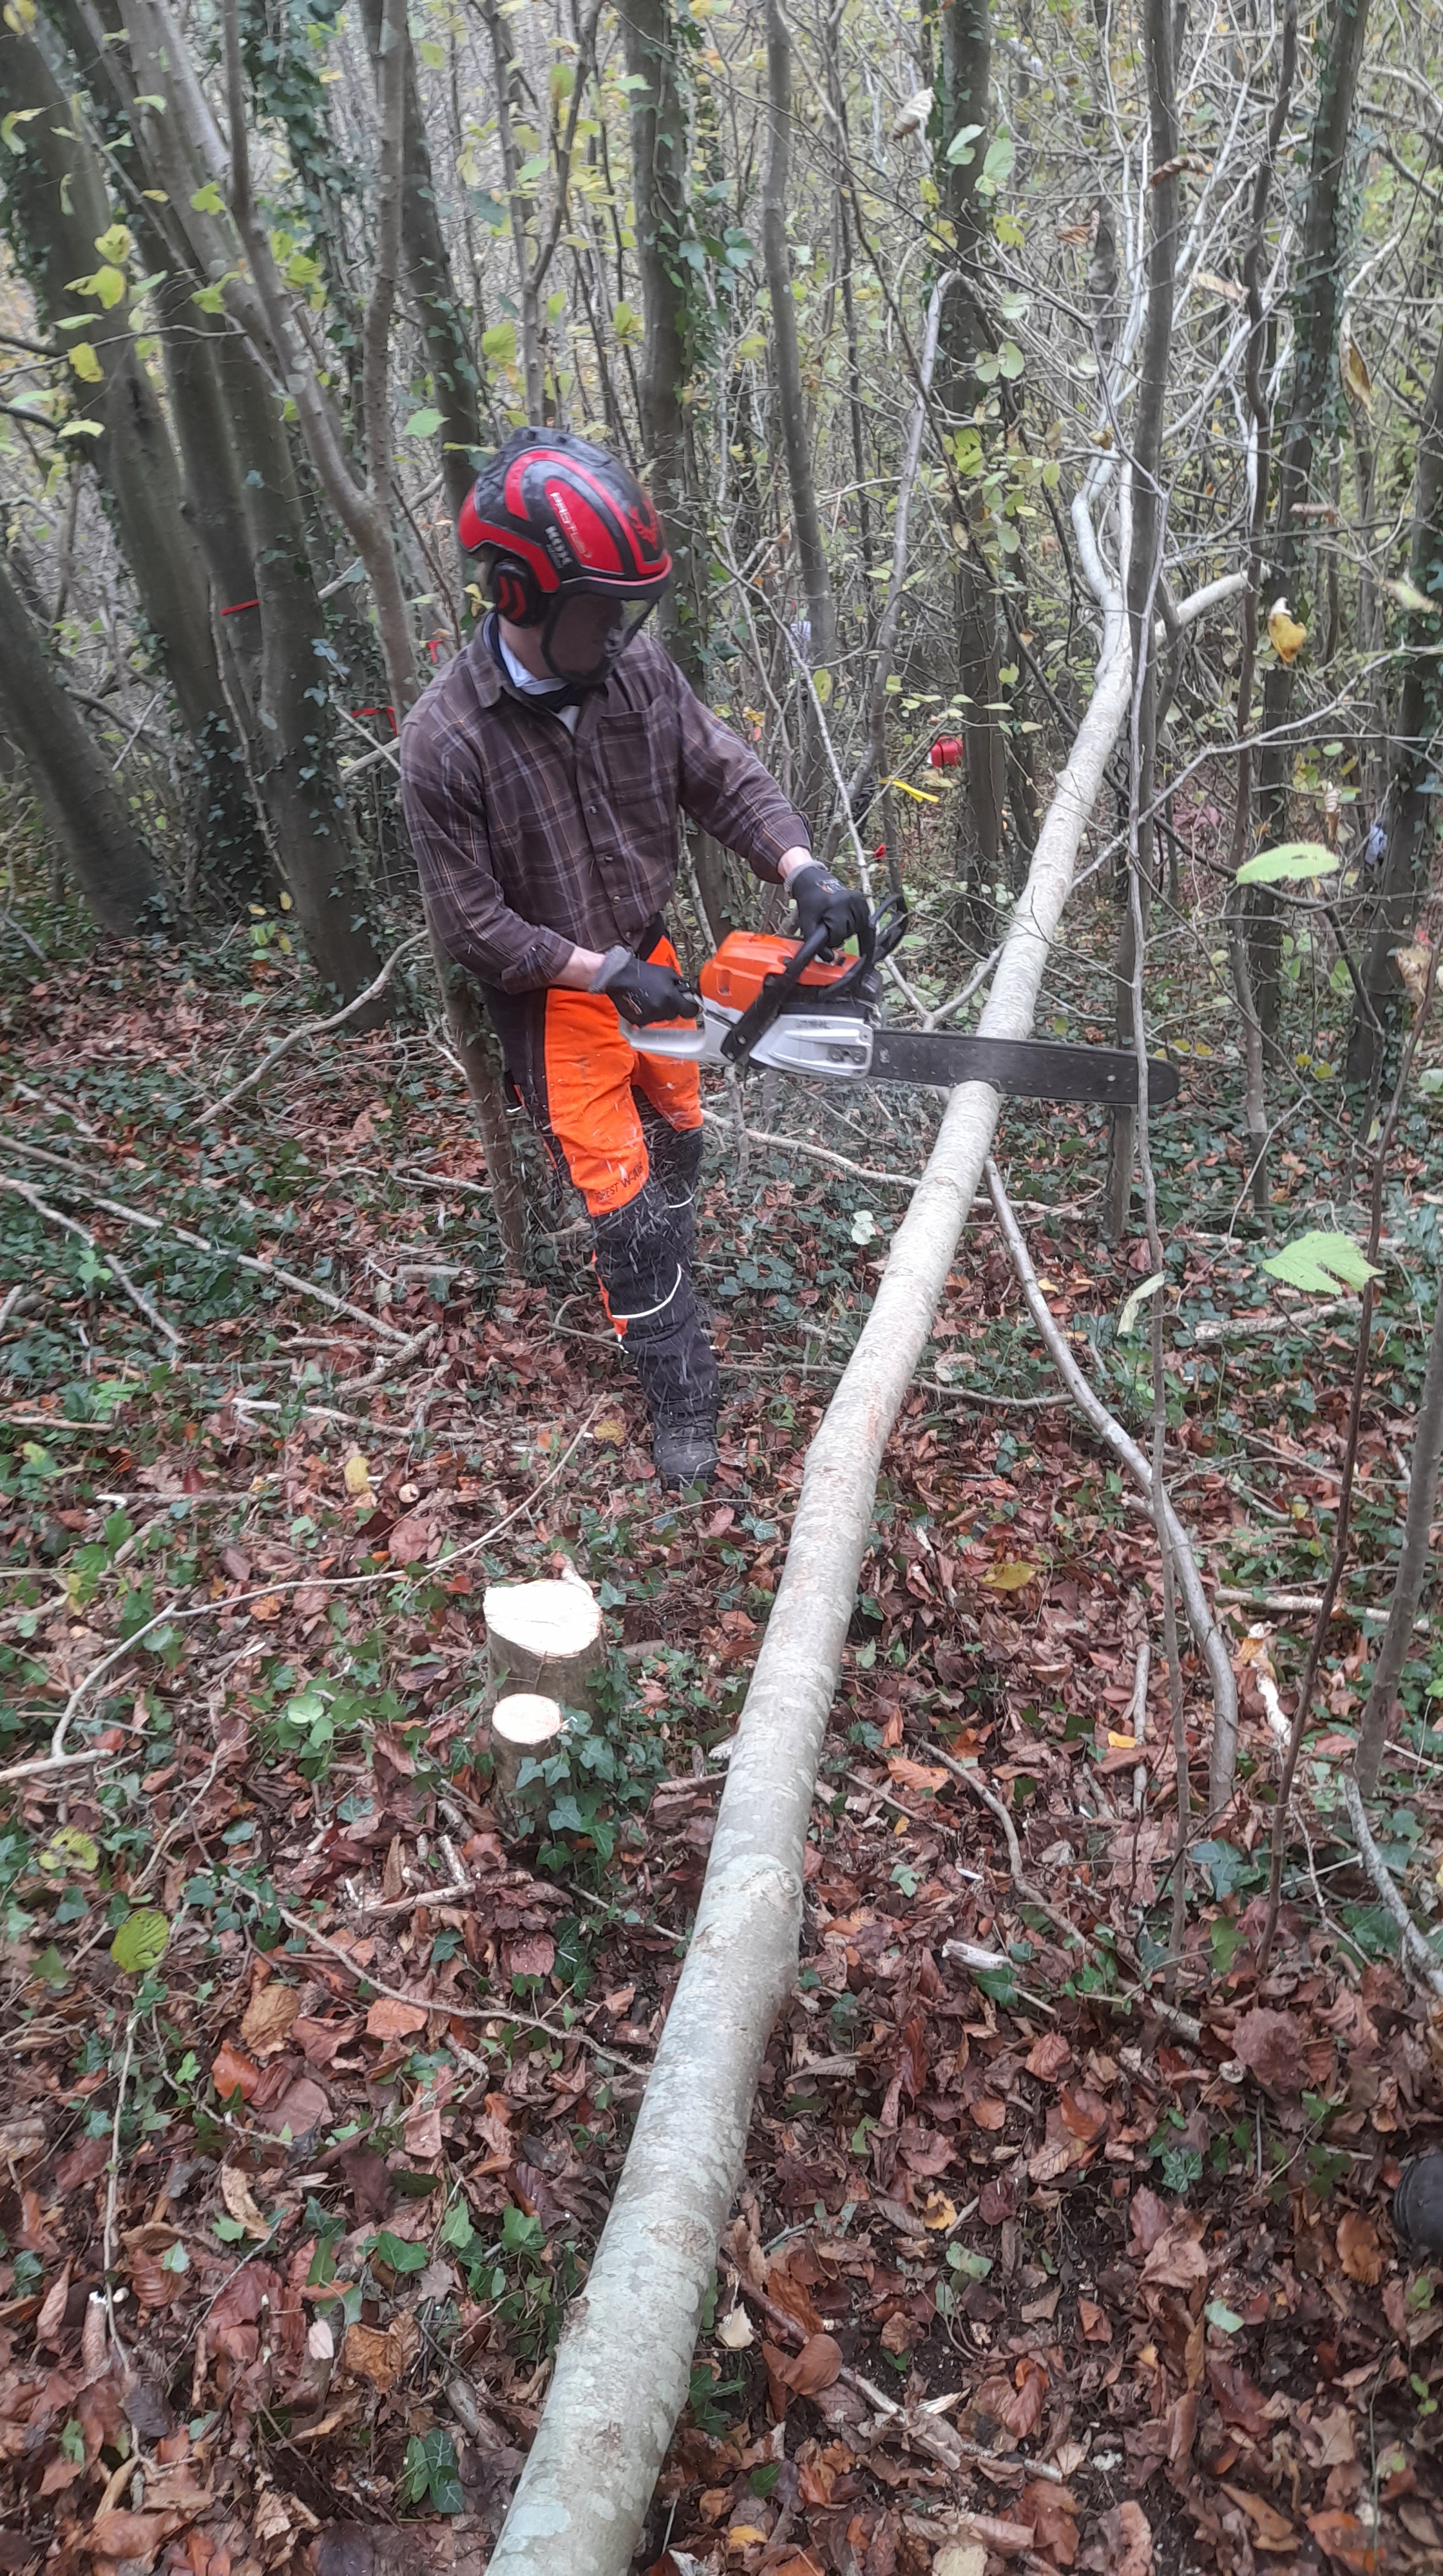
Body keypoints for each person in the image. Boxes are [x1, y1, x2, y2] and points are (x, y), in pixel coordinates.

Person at [401, 428, 868, 1488]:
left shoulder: (633, 668)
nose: (618, 631)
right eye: (598, 610)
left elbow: (719, 772)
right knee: (627, 1207)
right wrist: (601, 974)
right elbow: (473, 925)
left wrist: (802, 869)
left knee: (683, 1146)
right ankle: (681, 1396)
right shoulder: (446, 741)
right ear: (520, 594)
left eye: (628, 609)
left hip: (648, 960)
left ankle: (667, 1279)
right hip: (555, 998)